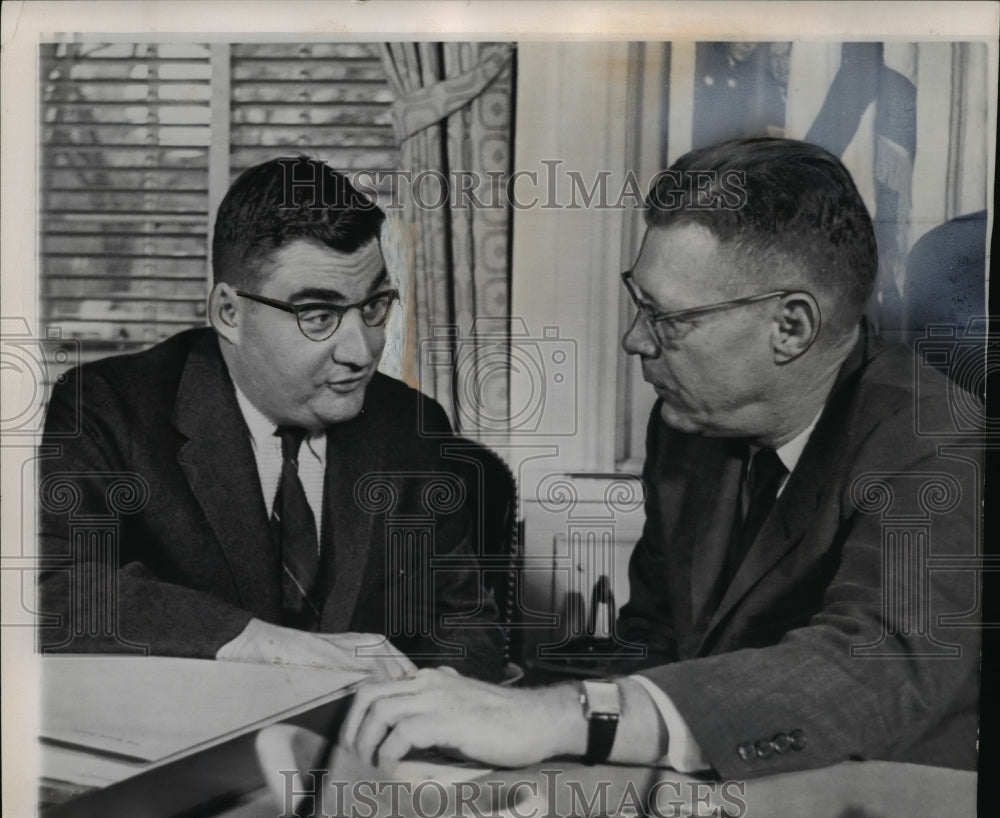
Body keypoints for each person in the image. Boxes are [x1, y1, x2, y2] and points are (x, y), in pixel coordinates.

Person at [339, 138, 981, 780]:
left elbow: (876, 664)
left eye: (666, 319)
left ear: (790, 327)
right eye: (637, 303)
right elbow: (654, 637)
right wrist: (504, 714)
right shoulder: (689, 429)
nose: (634, 339)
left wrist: (564, 720)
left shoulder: (936, 438)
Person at [38, 157, 505, 683]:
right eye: (318, 316)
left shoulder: (411, 424)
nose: (363, 350)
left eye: (374, 306)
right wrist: (258, 641)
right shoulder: (105, 408)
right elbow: (51, 589)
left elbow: (465, 627)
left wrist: (425, 709)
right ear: (229, 314)